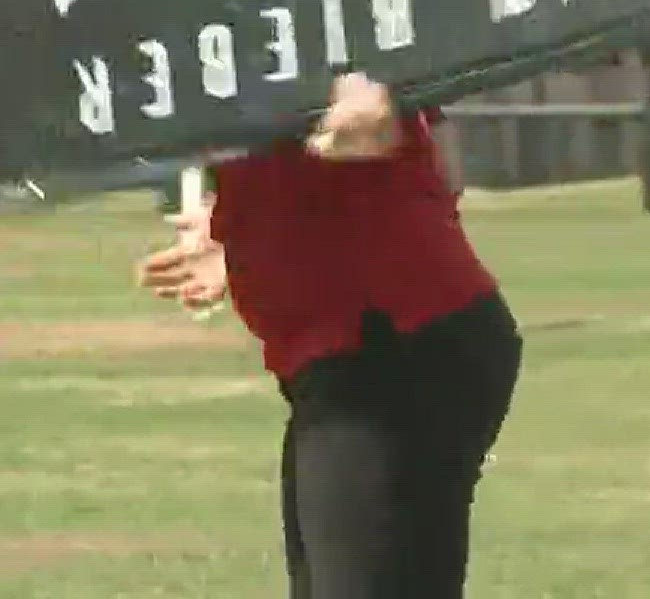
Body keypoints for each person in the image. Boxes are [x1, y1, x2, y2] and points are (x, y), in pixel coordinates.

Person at [137, 73, 521, 599]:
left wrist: (366, 110)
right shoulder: (233, 28)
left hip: (394, 345)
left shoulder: (312, 18)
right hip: (364, 352)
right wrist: (237, 229)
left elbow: (380, 119)